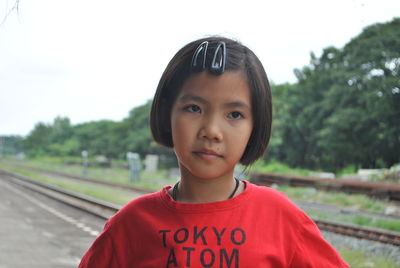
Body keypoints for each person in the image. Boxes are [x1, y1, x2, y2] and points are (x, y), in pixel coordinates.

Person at [78, 37, 349, 267]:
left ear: (255, 126)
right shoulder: (131, 224)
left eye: (234, 114)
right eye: (194, 108)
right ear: (166, 114)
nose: (211, 130)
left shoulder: (281, 219)